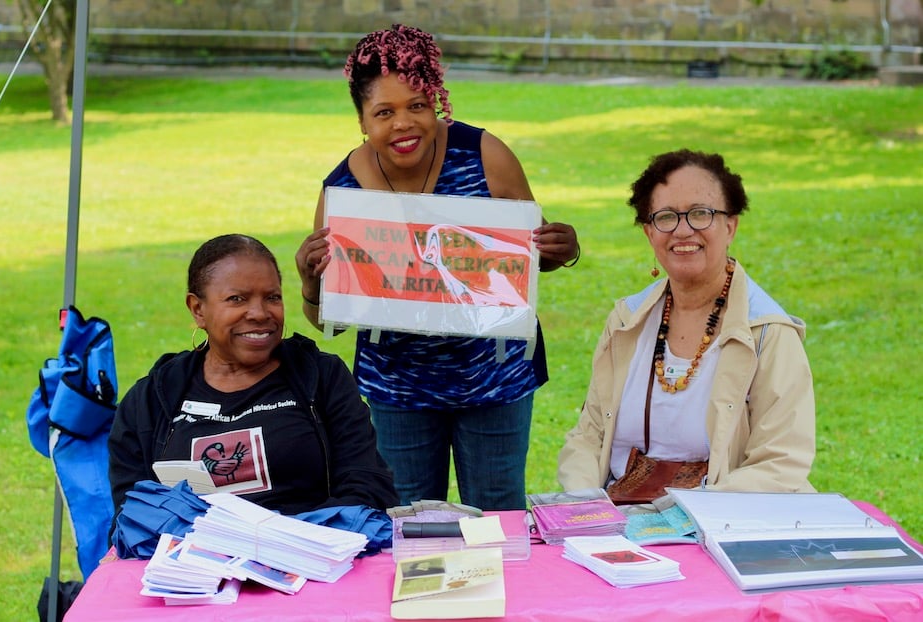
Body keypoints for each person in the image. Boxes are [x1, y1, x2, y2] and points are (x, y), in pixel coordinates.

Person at [294, 24, 579, 510]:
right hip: (398, 387)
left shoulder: (484, 155)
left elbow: (527, 256)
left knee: (496, 516)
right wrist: (309, 281)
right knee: (406, 523)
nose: (403, 124)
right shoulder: (343, 195)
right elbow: (328, 321)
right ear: (362, 121)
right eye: (384, 112)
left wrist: (560, 248)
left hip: (495, 378)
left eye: (417, 106)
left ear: (436, 104)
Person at [558, 149, 815, 494]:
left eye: (700, 214)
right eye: (665, 217)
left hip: (723, 521)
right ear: (649, 233)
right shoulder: (626, 320)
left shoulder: (768, 332)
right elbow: (589, 437)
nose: (683, 230)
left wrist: (681, 515)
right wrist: (585, 505)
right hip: (617, 519)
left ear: (730, 225)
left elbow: (780, 463)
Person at [108, 233, 398, 523]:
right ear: (198, 309)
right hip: (194, 560)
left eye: (272, 297)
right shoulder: (151, 400)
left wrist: (291, 539)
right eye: (237, 299)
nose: (259, 313)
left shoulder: (322, 378)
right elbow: (133, 513)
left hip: (312, 554)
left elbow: (368, 486)